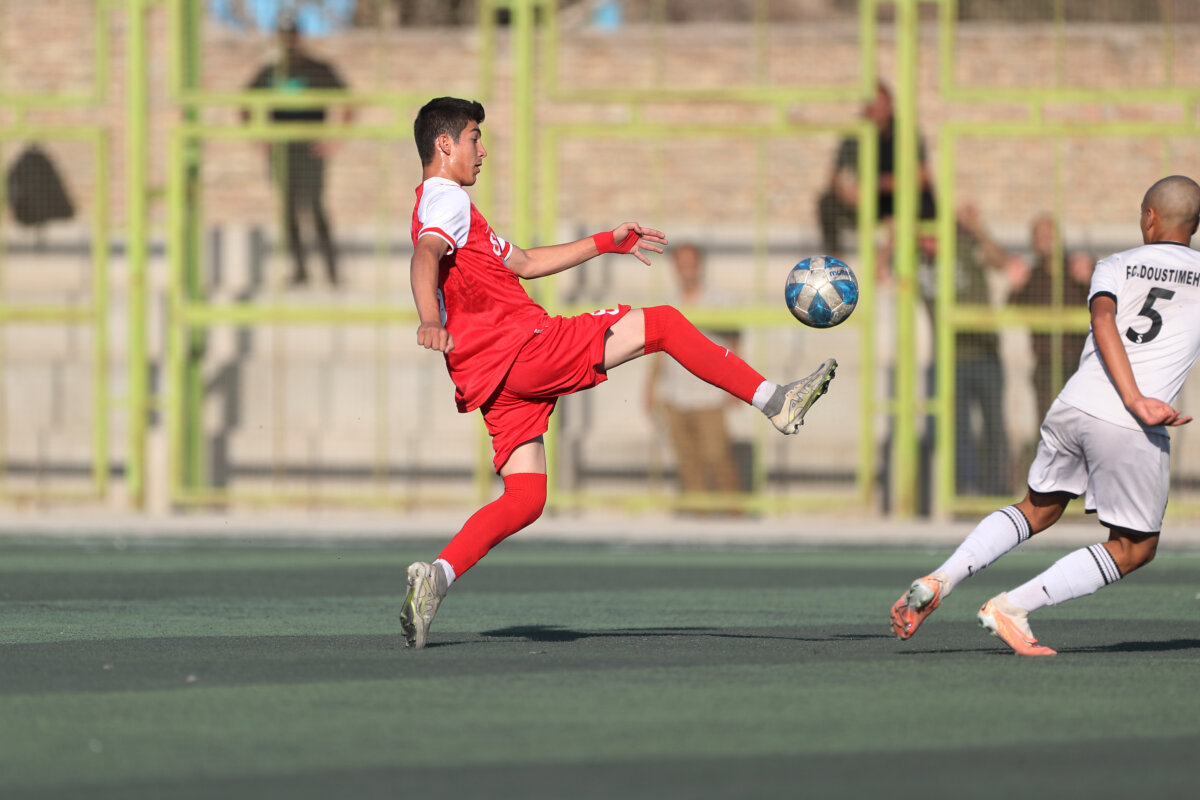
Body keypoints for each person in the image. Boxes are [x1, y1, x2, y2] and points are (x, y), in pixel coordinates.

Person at [400, 97, 838, 649]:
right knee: (664, 324)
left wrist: (607, 242)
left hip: (490, 374)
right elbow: (425, 254)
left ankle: (436, 578)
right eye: (473, 138)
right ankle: (776, 401)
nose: (482, 150)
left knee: (527, 496)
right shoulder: (446, 200)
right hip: (523, 347)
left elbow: (526, 263)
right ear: (444, 144)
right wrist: (428, 318)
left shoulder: (446, 207)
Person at [890, 175, 1200, 656]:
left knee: (1037, 507)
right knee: (1135, 547)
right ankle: (1012, 607)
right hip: (1131, 421)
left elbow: (1102, 319)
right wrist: (1137, 398)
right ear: (1194, 225)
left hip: (1075, 402)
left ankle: (942, 578)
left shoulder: (1114, 263)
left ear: (1149, 217)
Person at [243, 15, 351, 287]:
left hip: (310, 150)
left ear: (299, 37)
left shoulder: (317, 69)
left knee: (314, 207)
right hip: (282, 150)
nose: (288, 41)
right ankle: (300, 271)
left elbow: (347, 101)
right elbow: (245, 103)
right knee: (288, 209)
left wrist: (335, 139)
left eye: (291, 35)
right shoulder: (271, 71)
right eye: (283, 36)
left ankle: (332, 272)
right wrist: (259, 137)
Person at [916, 203, 1012, 497]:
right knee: (957, 430)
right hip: (948, 359)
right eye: (923, 234)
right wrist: (892, 240)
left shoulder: (964, 249)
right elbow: (878, 276)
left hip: (984, 353)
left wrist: (977, 228)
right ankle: (963, 491)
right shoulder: (914, 261)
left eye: (935, 233)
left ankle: (996, 490)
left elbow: (1002, 262)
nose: (930, 241)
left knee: (994, 424)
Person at [644, 243, 744, 510]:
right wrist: (650, 387)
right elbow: (658, 351)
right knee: (687, 463)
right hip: (675, 395)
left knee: (718, 458)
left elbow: (734, 345)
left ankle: (736, 516)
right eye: (681, 263)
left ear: (700, 265)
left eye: (691, 262)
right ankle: (698, 520)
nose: (686, 268)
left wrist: (736, 387)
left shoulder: (720, 302)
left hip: (709, 394)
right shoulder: (668, 302)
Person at [815, 80, 936, 259]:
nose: (875, 112)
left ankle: (919, 250)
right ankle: (836, 263)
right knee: (827, 202)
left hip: (899, 200)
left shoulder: (905, 132)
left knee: (924, 199)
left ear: (889, 107)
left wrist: (880, 184)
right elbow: (836, 176)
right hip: (867, 203)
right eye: (871, 106)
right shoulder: (856, 133)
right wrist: (847, 190)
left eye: (880, 106)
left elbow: (922, 177)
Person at [1009, 214, 1094, 422]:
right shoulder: (1032, 276)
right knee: (1047, 423)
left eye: (1050, 235)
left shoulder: (1077, 268)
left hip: (1077, 361)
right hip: (1045, 363)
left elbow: (1103, 306)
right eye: (1040, 236)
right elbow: (1011, 312)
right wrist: (1016, 287)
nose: (1046, 240)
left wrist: (1089, 280)